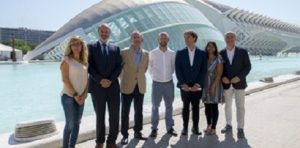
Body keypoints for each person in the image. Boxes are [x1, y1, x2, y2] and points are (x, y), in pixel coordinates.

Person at [88, 24, 122, 148]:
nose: (104, 34)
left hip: (113, 87)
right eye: (102, 31)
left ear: (110, 33)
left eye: (107, 32)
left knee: (114, 116)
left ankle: (111, 141)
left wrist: (110, 80)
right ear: (98, 32)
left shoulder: (116, 48)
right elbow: (89, 66)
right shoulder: (90, 47)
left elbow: (119, 66)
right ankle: (100, 142)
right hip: (97, 87)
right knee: (100, 117)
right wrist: (100, 80)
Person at [175, 30, 207, 136]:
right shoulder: (180, 53)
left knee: (196, 107)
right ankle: (185, 128)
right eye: (185, 37)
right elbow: (178, 70)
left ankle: (195, 127)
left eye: (188, 37)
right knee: (185, 107)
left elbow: (203, 70)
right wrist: (182, 83)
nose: (186, 39)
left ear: (194, 38)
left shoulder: (202, 53)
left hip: (196, 87)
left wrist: (198, 84)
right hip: (184, 87)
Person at [220, 32, 251, 139]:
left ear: (235, 39)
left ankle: (240, 128)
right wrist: (222, 77)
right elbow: (219, 69)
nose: (229, 39)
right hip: (227, 84)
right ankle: (228, 124)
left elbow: (248, 66)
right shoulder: (221, 53)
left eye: (232, 37)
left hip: (240, 83)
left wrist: (239, 77)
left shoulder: (242, 52)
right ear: (224, 39)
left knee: (240, 107)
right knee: (227, 106)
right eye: (227, 37)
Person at [120, 31, 149, 145]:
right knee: (125, 112)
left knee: (139, 111)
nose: (136, 39)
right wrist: (124, 79)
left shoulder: (146, 53)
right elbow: (119, 68)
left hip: (140, 85)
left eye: (138, 37)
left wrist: (138, 77)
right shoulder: (124, 52)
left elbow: (144, 69)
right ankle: (125, 135)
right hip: (127, 85)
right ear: (131, 39)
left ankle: (138, 132)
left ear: (141, 40)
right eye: (134, 37)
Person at [60, 36, 89, 148]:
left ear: (82, 46)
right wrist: (76, 95)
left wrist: (84, 95)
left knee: (77, 124)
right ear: (70, 46)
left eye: (79, 44)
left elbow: (86, 80)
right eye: (74, 44)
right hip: (68, 97)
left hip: (81, 97)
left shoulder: (85, 61)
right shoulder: (66, 60)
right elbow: (65, 79)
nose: (76, 47)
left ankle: (72, 146)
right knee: (70, 125)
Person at [149, 32, 178, 138]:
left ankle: (170, 127)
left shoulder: (172, 53)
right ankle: (154, 129)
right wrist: (156, 77)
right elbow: (150, 68)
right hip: (157, 84)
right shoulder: (152, 53)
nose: (163, 39)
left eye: (165, 38)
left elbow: (174, 67)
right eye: (161, 38)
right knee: (155, 107)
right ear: (158, 40)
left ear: (168, 40)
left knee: (169, 106)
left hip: (169, 84)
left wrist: (167, 76)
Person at [202, 41, 224, 135]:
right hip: (205, 84)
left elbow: (219, 74)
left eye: (212, 47)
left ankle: (214, 127)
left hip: (215, 84)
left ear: (215, 48)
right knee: (207, 106)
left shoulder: (218, 58)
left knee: (214, 106)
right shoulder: (204, 58)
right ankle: (208, 125)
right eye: (208, 46)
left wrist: (213, 86)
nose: (210, 48)